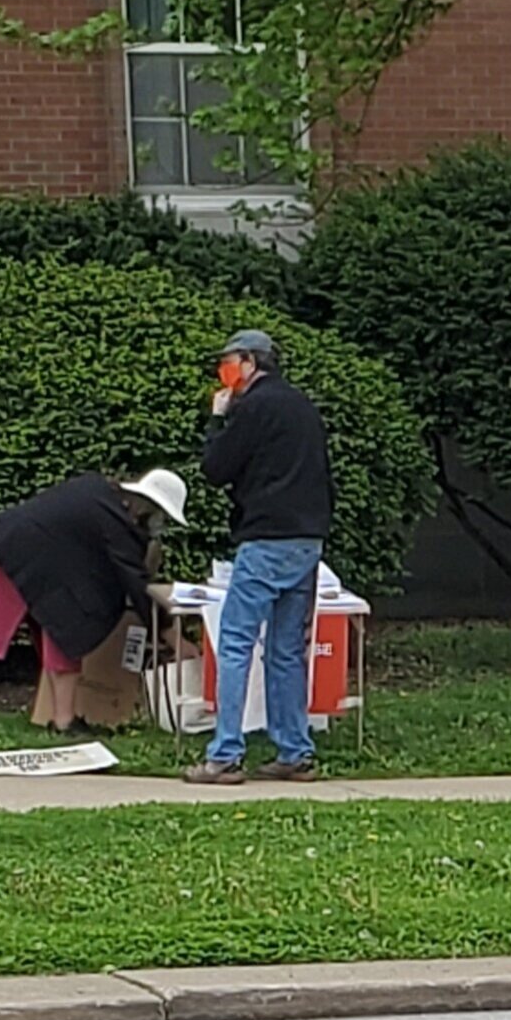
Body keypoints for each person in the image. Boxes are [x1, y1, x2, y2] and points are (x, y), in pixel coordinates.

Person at [185, 328, 336, 786]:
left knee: (234, 642)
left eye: (229, 362)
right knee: (286, 650)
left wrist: (218, 419)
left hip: (265, 536)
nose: (224, 372)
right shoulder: (302, 406)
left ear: (250, 362)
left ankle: (225, 754)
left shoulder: (251, 406)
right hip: (307, 539)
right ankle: (295, 750)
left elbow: (215, 469)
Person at [0, 469, 190, 738]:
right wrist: (170, 633)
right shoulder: (117, 522)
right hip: (20, 553)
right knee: (71, 620)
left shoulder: (100, 494)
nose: (159, 523)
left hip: (13, 546)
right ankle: (64, 722)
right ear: (148, 506)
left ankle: (59, 718)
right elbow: (136, 582)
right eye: (161, 516)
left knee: (59, 624)